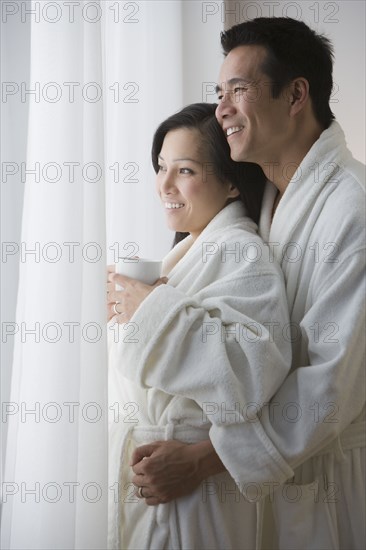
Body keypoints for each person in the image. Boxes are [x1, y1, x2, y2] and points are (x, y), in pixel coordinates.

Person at [125, 18, 366, 550]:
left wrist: (204, 459)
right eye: (219, 93)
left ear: (296, 94)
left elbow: (330, 384)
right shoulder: (260, 205)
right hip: (256, 495)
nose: (222, 110)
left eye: (239, 90)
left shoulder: (354, 208)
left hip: (328, 485)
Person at [107, 102, 291, 549]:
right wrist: (136, 312)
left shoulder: (242, 254)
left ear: (231, 181)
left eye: (185, 170)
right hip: (153, 471)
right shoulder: (192, 251)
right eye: (161, 167)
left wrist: (152, 311)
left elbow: (251, 372)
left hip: (195, 486)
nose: (164, 185)